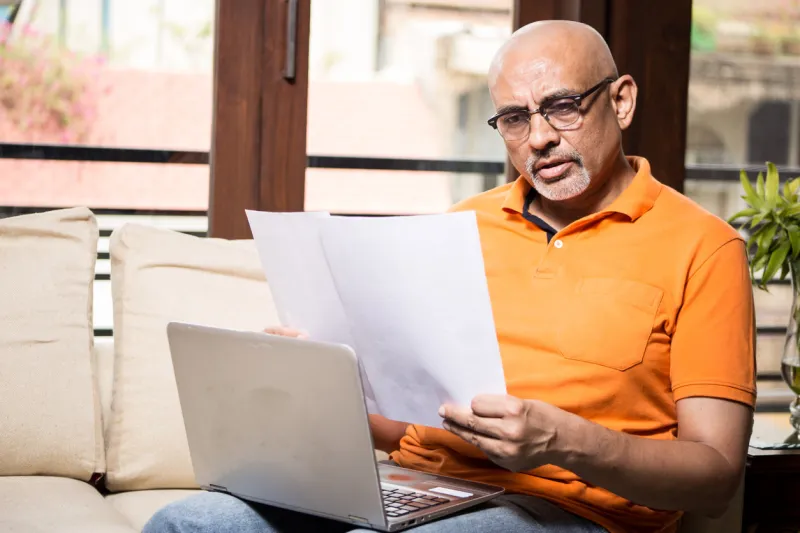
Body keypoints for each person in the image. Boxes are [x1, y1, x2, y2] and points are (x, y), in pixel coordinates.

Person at [144, 19, 755, 533]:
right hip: (423, 484)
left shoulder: (704, 246)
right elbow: (409, 424)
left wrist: (566, 443)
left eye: (562, 107)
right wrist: (320, 389)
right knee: (184, 525)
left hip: (570, 508)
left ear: (620, 100)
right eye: (514, 119)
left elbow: (717, 475)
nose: (539, 138)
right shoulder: (461, 225)